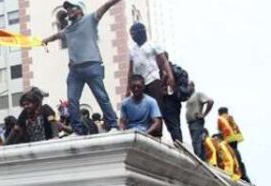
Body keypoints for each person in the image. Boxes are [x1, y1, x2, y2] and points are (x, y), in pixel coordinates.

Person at [41, 0, 123, 135]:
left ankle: (114, 125)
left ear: (79, 10)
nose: (68, 11)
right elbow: (56, 36)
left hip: (92, 66)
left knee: (101, 97)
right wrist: (45, 41)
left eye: (71, 7)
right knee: (72, 101)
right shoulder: (68, 29)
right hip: (75, 71)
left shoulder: (90, 19)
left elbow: (106, 6)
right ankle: (78, 130)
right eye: (67, 9)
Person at [127, 22, 175, 138]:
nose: (133, 36)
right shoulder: (132, 51)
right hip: (138, 84)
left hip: (153, 80)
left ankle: (157, 134)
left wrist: (170, 76)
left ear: (142, 32)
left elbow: (164, 61)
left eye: (134, 33)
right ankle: (146, 133)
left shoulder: (153, 45)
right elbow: (130, 71)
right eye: (131, 34)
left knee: (155, 108)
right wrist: (127, 89)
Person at [217, 107, 249, 182]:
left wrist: (221, 139)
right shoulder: (231, 118)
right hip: (235, 138)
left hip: (229, 138)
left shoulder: (220, 119)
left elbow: (221, 130)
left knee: (227, 153)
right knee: (235, 152)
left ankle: (232, 171)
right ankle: (243, 176)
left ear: (219, 113)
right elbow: (235, 128)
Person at [185, 81, 214, 160]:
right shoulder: (189, 98)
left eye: (188, 86)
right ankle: (202, 158)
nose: (186, 88)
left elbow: (210, 101)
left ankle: (197, 159)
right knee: (198, 142)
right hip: (191, 123)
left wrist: (204, 114)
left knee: (196, 141)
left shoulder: (198, 95)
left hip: (196, 121)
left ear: (193, 86)